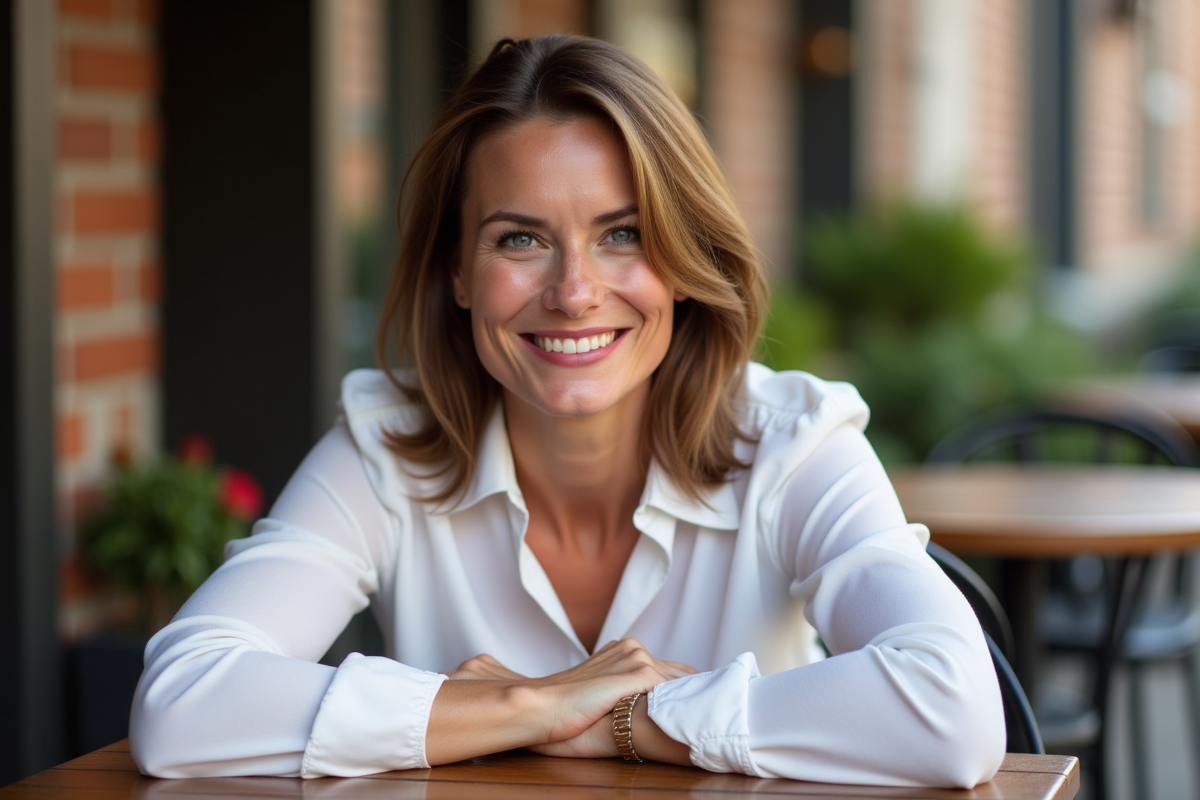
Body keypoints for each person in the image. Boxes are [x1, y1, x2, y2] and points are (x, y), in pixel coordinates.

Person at [130, 35, 1004, 787]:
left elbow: (955, 710)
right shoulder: (388, 445)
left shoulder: (793, 443)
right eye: (521, 239)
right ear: (459, 275)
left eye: (622, 234)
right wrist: (532, 702)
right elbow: (184, 702)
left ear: (685, 259)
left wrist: (623, 722)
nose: (576, 292)